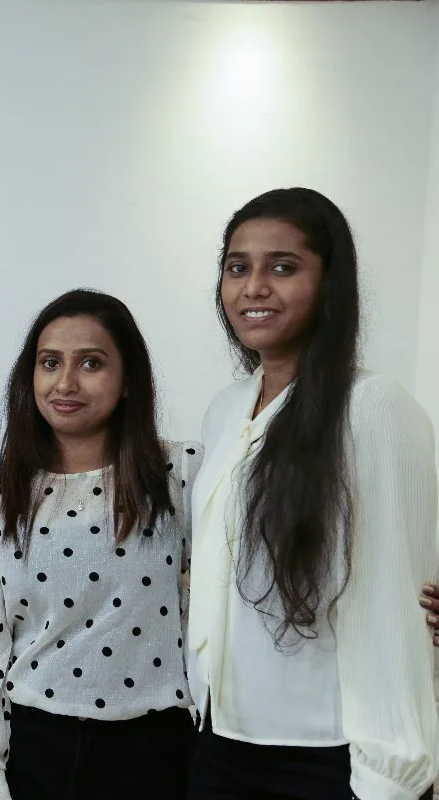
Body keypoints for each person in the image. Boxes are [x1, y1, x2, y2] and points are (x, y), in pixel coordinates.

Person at [186, 188, 437, 800]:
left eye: (283, 267)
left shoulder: (374, 408)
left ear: (330, 284)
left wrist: (390, 777)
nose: (254, 287)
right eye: (237, 267)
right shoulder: (225, 411)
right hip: (217, 741)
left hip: (326, 755)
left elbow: (394, 603)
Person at [0, 289, 200, 799]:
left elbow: (207, 612)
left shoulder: (183, 473)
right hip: (37, 747)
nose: (66, 383)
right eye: (50, 362)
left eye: (91, 363)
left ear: (128, 380)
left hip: (158, 747)